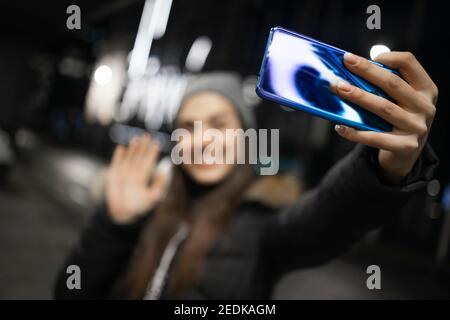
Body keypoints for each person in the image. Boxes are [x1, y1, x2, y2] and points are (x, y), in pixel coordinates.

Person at [55, 52, 439, 299]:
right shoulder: (146, 201)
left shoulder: (265, 220)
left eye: (219, 125)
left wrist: (382, 164)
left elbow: (332, 213)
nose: (201, 140)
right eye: (188, 126)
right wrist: (114, 224)